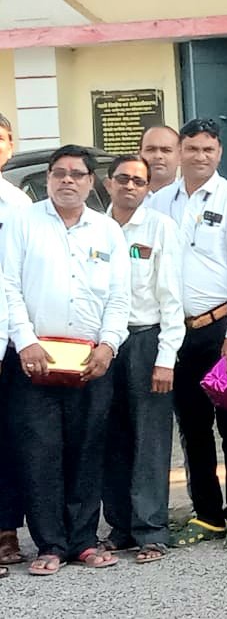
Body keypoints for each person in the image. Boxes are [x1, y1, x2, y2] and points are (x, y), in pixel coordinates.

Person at [4, 145, 129, 575]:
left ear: (91, 182)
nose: (67, 180)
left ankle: (83, 541)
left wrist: (108, 345)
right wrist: (25, 342)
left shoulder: (107, 230)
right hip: (35, 360)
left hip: (90, 361)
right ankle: (50, 544)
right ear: (48, 179)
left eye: (77, 174)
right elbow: (7, 287)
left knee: (87, 449)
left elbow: (119, 297)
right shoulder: (23, 223)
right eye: (59, 173)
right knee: (40, 452)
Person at [151, 118, 227, 549]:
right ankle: (208, 514)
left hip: (220, 333)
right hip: (178, 336)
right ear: (180, 152)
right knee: (192, 427)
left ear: (219, 153)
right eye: (192, 148)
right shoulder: (161, 201)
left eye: (208, 150)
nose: (200, 156)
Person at [100, 154, 184, 563]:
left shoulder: (160, 227)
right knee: (110, 436)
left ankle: (151, 529)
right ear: (107, 183)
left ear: (148, 188)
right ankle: (120, 528)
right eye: (123, 179)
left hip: (145, 340)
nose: (130, 186)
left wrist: (166, 357)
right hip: (101, 344)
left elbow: (172, 298)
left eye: (139, 181)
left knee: (149, 439)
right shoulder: (94, 229)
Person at [0, 112, 31, 574]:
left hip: (10, 336)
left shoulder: (19, 203)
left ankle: (6, 529)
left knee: (8, 436)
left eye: (1, 138)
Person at [139, 125, 182, 194]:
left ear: (180, 157)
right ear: (140, 155)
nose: (158, 156)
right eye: (151, 149)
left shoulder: (191, 197)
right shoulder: (125, 197)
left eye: (166, 150)